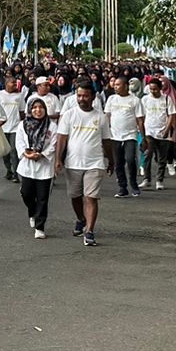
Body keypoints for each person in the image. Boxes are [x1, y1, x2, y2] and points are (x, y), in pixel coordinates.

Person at [55, 81, 110, 247]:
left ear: (93, 97)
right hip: (73, 163)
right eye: (79, 95)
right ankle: (80, 219)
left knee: (91, 197)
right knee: (75, 196)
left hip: (95, 163)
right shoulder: (69, 115)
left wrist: (111, 160)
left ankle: (90, 231)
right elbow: (61, 139)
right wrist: (58, 159)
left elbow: (106, 141)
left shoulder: (100, 117)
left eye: (85, 96)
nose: (82, 99)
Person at [17, 96, 56, 238]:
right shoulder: (23, 125)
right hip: (27, 166)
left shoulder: (51, 126)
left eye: (41, 108)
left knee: (42, 198)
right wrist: (26, 154)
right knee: (26, 193)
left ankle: (40, 227)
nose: (38, 110)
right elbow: (19, 141)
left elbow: (53, 145)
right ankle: (32, 212)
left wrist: (42, 154)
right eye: (34, 108)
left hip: (44, 166)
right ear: (30, 109)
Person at [104, 75, 144, 197]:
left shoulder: (135, 100)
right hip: (114, 135)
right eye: (114, 85)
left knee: (131, 159)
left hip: (130, 135)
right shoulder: (111, 99)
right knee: (118, 162)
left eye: (118, 85)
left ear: (126, 86)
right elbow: (107, 117)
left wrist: (144, 137)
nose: (115, 87)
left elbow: (140, 120)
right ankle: (122, 187)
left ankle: (133, 183)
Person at [141, 77, 176, 190]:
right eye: (151, 89)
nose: (153, 91)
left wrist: (167, 130)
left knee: (162, 158)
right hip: (149, 131)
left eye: (155, 89)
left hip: (162, 132)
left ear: (160, 88)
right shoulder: (145, 100)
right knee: (148, 154)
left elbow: (171, 115)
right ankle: (147, 179)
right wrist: (141, 132)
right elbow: (141, 116)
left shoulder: (167, 99)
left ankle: (159, 180)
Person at [0, 75, 23, 185]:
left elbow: (22, 112)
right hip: (2, 127)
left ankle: (16, 174)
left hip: (15, 127)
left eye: (15, 82)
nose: (14, 84)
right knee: (5, 151)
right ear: (6, 83)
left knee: (13, 150)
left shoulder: (19, 96)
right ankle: (9, 170)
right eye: (12, 82)